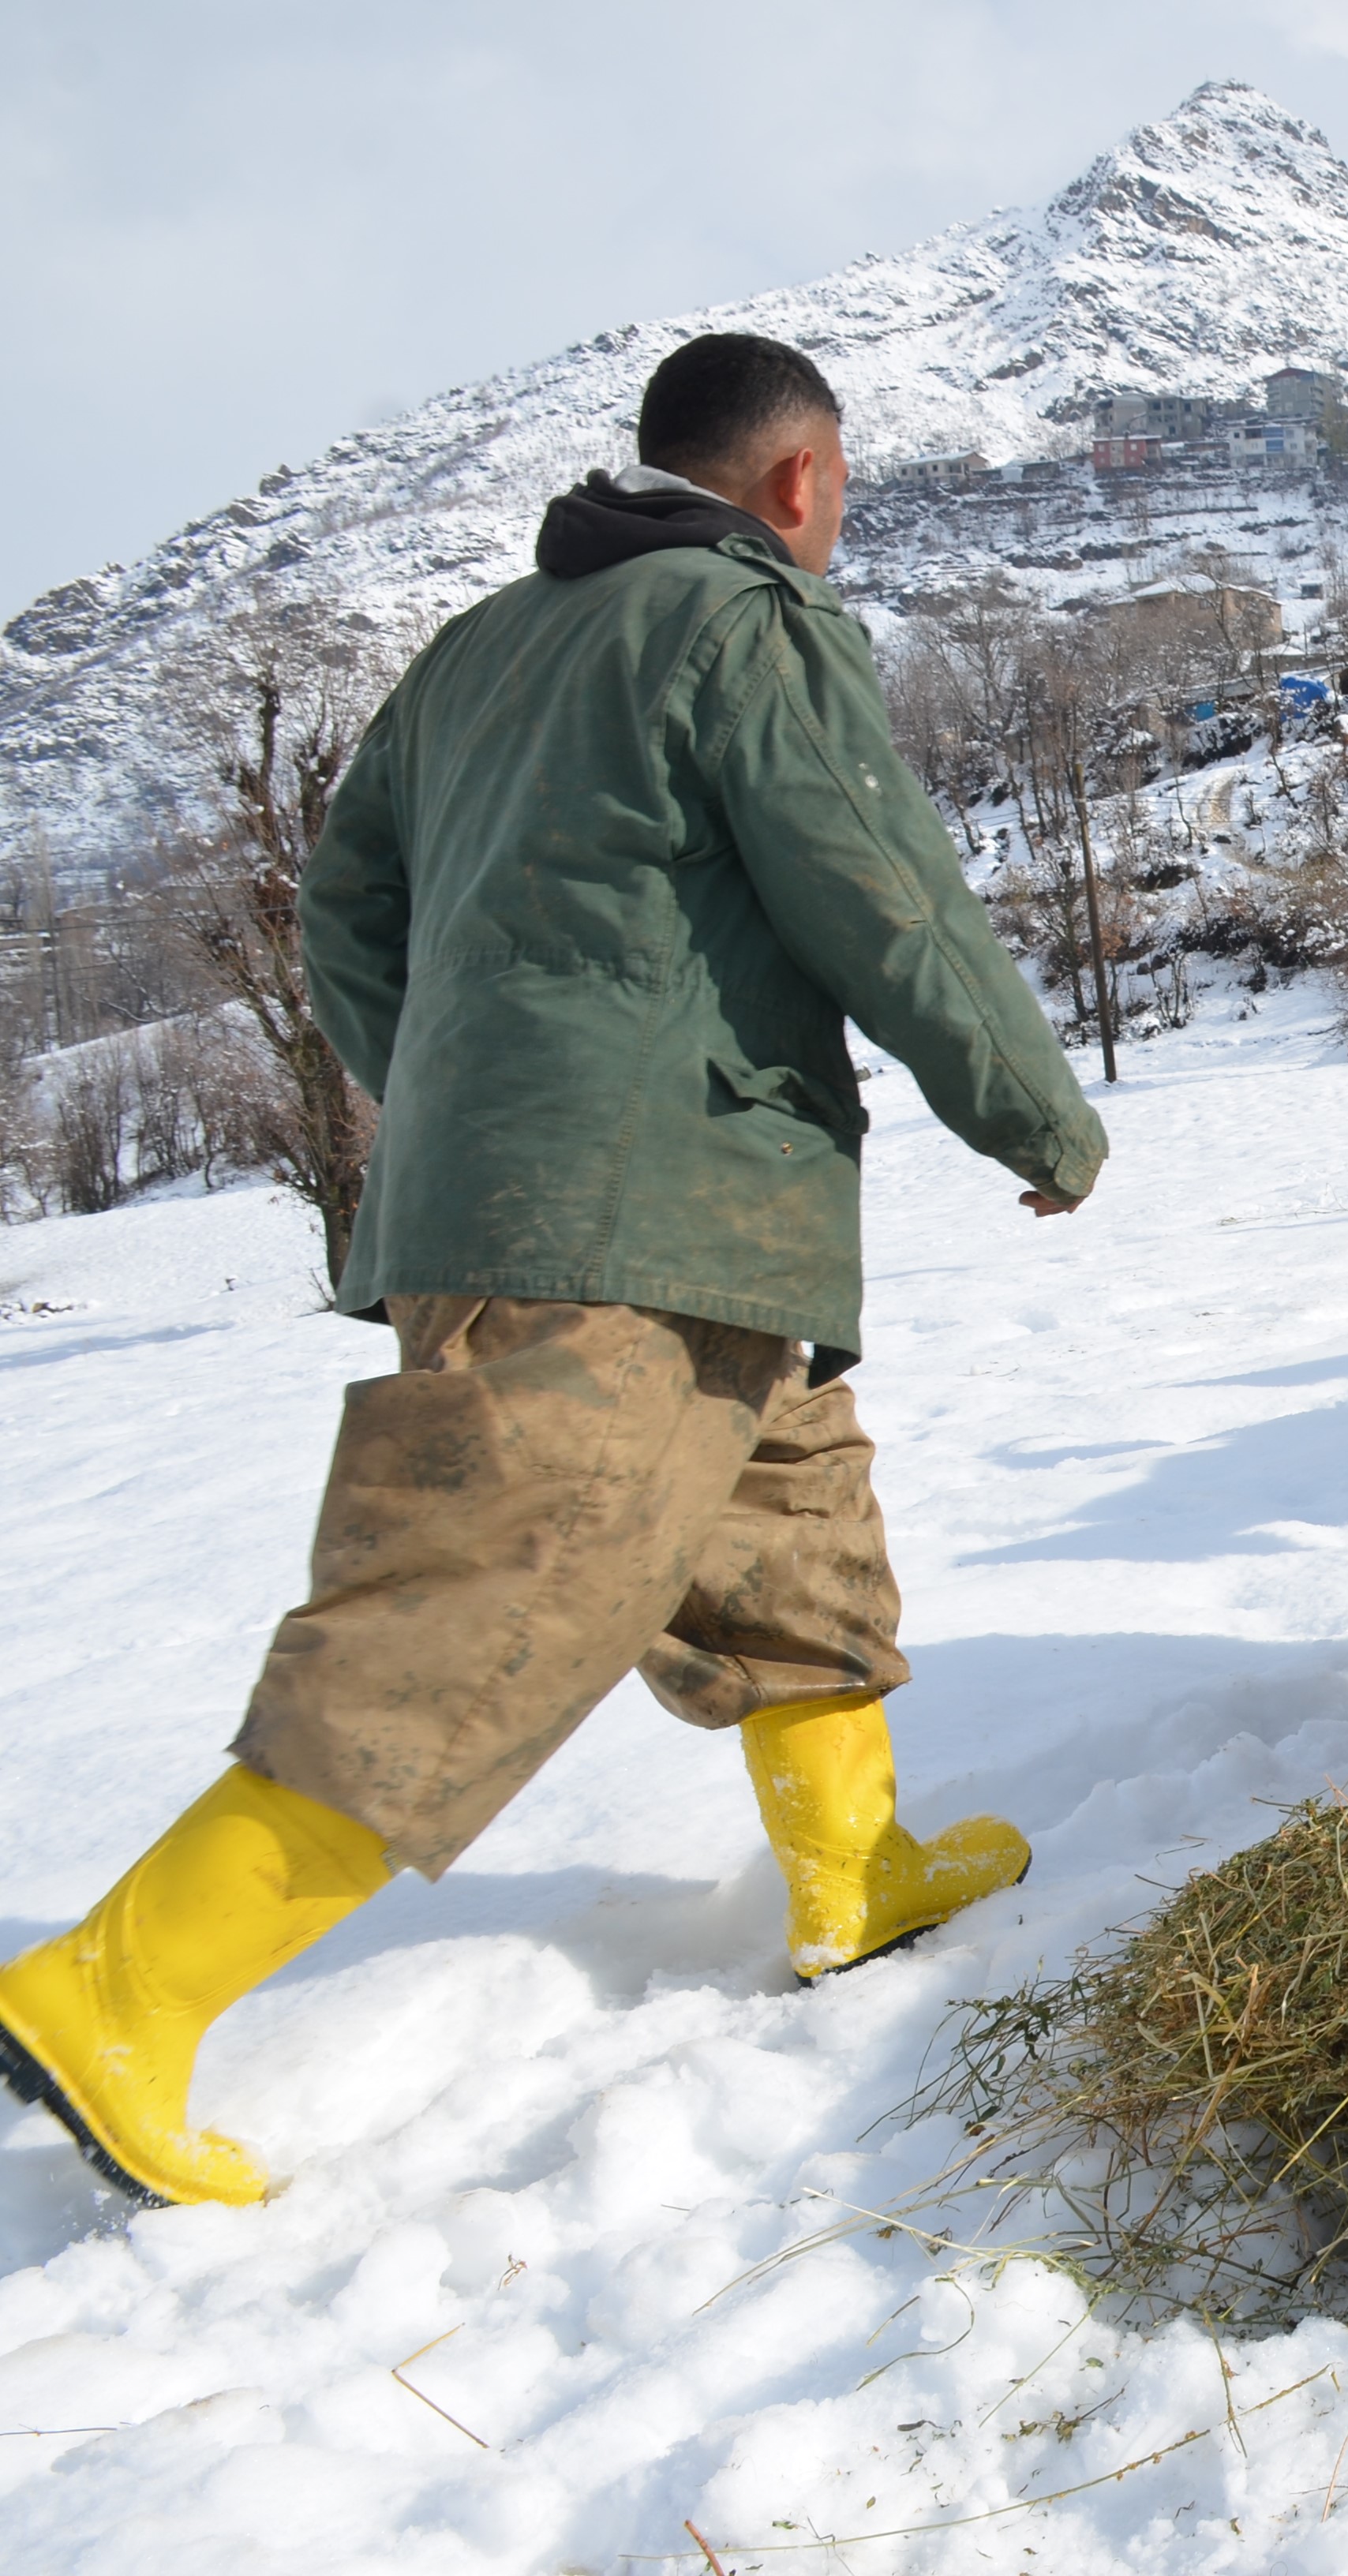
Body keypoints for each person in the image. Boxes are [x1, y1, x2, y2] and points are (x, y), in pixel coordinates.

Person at [0, 333, 1108, 2209]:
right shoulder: (741, 625)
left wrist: (462, 1085)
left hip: (637, 1219)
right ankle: (115, 1991)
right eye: (836, 493)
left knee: (790, 1534)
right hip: (623, 1230)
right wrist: (1034, 1118)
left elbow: (351, 905)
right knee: (480, 1602)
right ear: (795, 485)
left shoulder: (475, 654)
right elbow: (877, 881)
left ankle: (853, 1881)